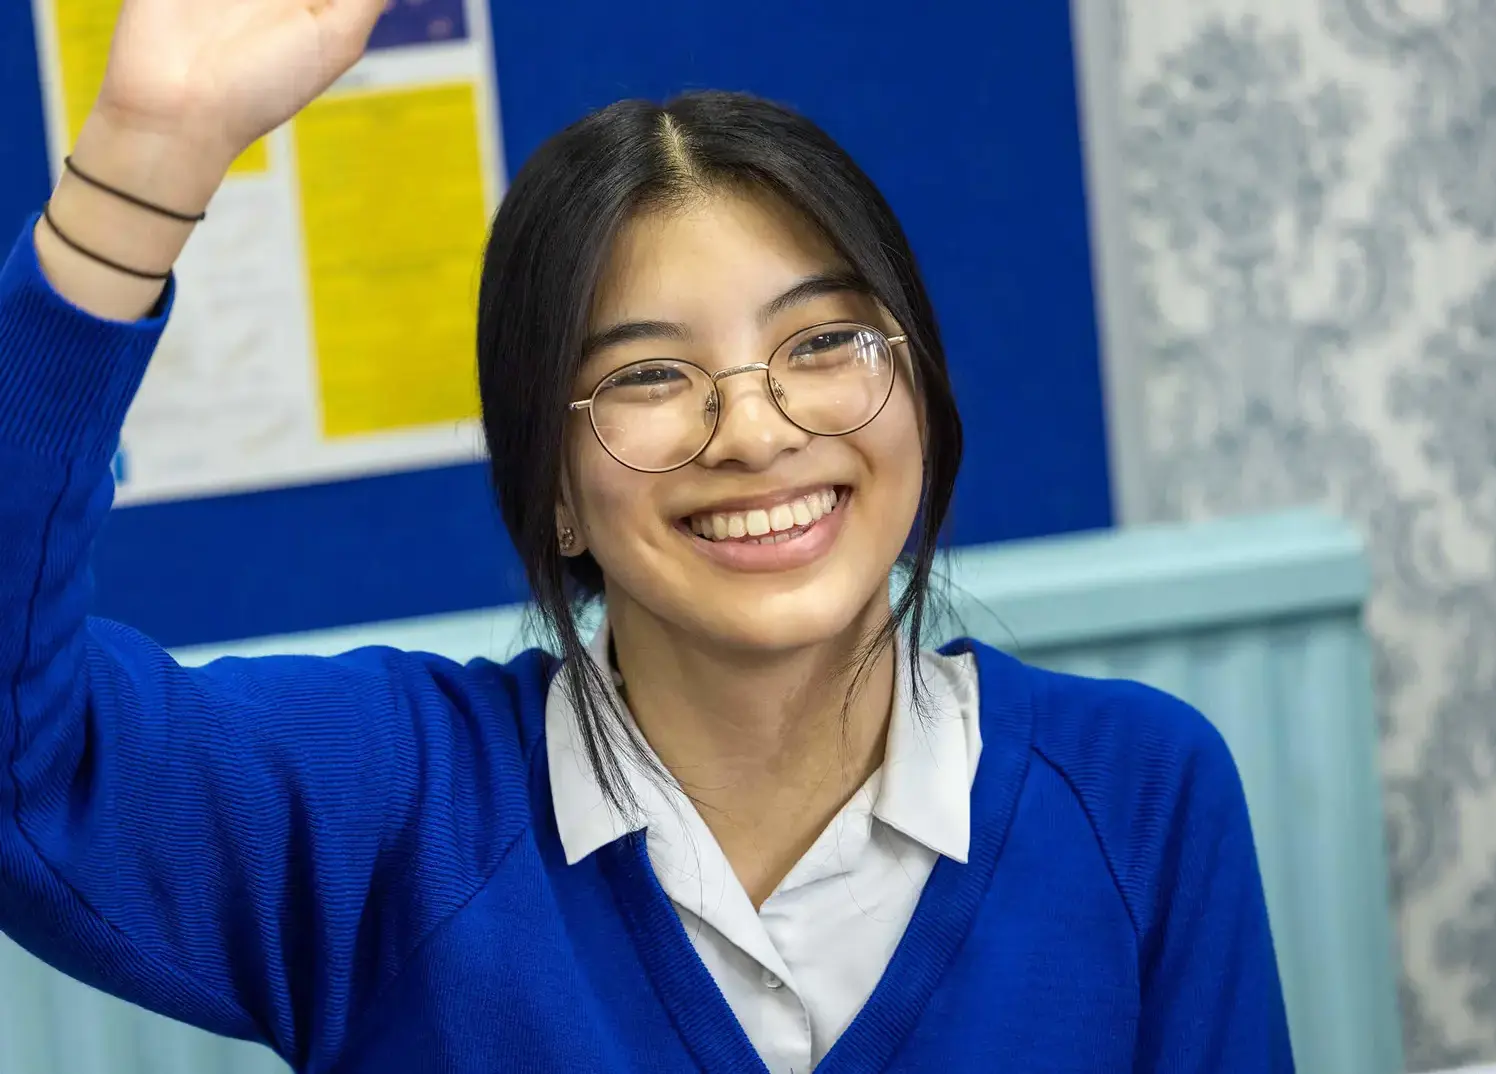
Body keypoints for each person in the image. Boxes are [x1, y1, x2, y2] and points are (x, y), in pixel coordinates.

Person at [0, 1, 1293, 1071]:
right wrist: (145, 157)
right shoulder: (386, 811)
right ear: (550, 489)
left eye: (824, 341)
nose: (755, 427)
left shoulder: (1140, 793)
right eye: (648, 375)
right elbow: (27, 752)